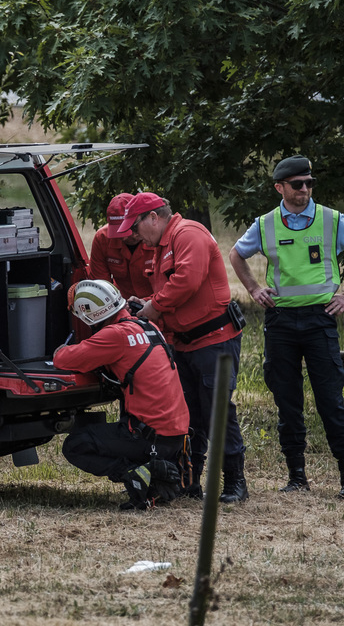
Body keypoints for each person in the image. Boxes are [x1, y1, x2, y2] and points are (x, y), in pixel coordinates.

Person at [229, 155, 344, 500]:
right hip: (280, 322)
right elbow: (236, 254)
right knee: (287, 401)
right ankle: (296, 476)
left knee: (330, 400)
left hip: (320, 319)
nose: (305, 189)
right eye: (297, 184)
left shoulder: (331, 219)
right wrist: (253, 288)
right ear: (280, 188)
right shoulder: (265, 224)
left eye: (309, 183)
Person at [116, 192, 249, 503]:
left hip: (215, 341)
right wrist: (147, 305)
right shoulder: (160, 246)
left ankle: (235, 484)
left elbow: (187, 281)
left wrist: (154, 307)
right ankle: (189, 482)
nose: (133, 236)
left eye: (135, 227)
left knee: (217, 413)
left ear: (153, 217)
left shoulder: (188, 234)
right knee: (188, 417)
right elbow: (168, 290)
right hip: (185, 344)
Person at [57, 280, 190, 511]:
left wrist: (59, 349)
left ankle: (134, 474)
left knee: (75, 445)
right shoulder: (148, 327)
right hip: (176, 436)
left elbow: (64, 359)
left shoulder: (115, 335)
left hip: (149, 436)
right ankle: (156, 472)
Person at [88, 192, 155, 299]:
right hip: (122, 305)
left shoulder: (159, 237)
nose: (123, 238)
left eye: (127, 230)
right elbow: (100, 287)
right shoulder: (102, 239)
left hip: (159, 306)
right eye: (118, 232)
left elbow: (172, 289)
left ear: (141, 220)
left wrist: (151, 304)